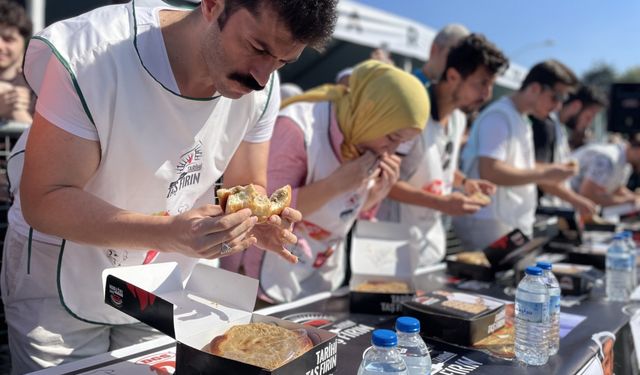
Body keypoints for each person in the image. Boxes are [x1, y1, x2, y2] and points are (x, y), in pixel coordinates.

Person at [1, 0, 337, 372]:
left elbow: (247, 184)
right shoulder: (93, 55)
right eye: (257, 48)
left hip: (163, 284)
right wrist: (171, 234)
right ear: (212, 5)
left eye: (282, 62)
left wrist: (255, 220)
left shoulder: (264, 86)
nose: (261, 77)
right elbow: (45, 199)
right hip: (62, 278)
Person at [221, 60, 429, 303]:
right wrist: (338, 184)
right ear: (370, 113)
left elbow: (344, 213)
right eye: (392, 136)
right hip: (261, 281)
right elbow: (265, 214)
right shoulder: (298, 129)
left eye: (402, 143)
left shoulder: (360, 142)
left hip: (318, 278)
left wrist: (376, 194)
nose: (391, 150)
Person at [377, 34, 508, 267]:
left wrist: (465, 182)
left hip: (431, 244)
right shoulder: (413, 113)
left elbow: (441, 165)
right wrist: (441, 203)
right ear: (452, 76)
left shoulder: (458, 118)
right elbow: (382, 180)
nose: (487, 94)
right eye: (482, 83)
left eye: (491, 85)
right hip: (391, 247)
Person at [454, 60, 579, 250]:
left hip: (507, 222)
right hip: (490, 223)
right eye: (556, 97)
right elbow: (490, 171)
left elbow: (518, 166)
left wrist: (553, 170)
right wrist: (545, 174)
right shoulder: (499, 116)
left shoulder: (520, 117)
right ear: (535, 88)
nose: (558, 106)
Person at [531, 84, 607, 213]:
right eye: (588, 117)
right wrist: (577, 200)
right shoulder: (546, 125)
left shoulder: (559, 129)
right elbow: (541, 176)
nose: (588, 123)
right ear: (576, 106)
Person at [570, 137, 640, 207]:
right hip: (565, 204)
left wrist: (634, 198)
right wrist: (624, 201)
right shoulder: (608, 159)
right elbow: (587, 194)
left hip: (575, 204)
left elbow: (616, 188)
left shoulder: (626, 162)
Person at [0, 0, 34, 123]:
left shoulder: (38, 84)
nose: (0, 45)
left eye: (8, 39)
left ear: (24, 42)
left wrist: (16, 111)